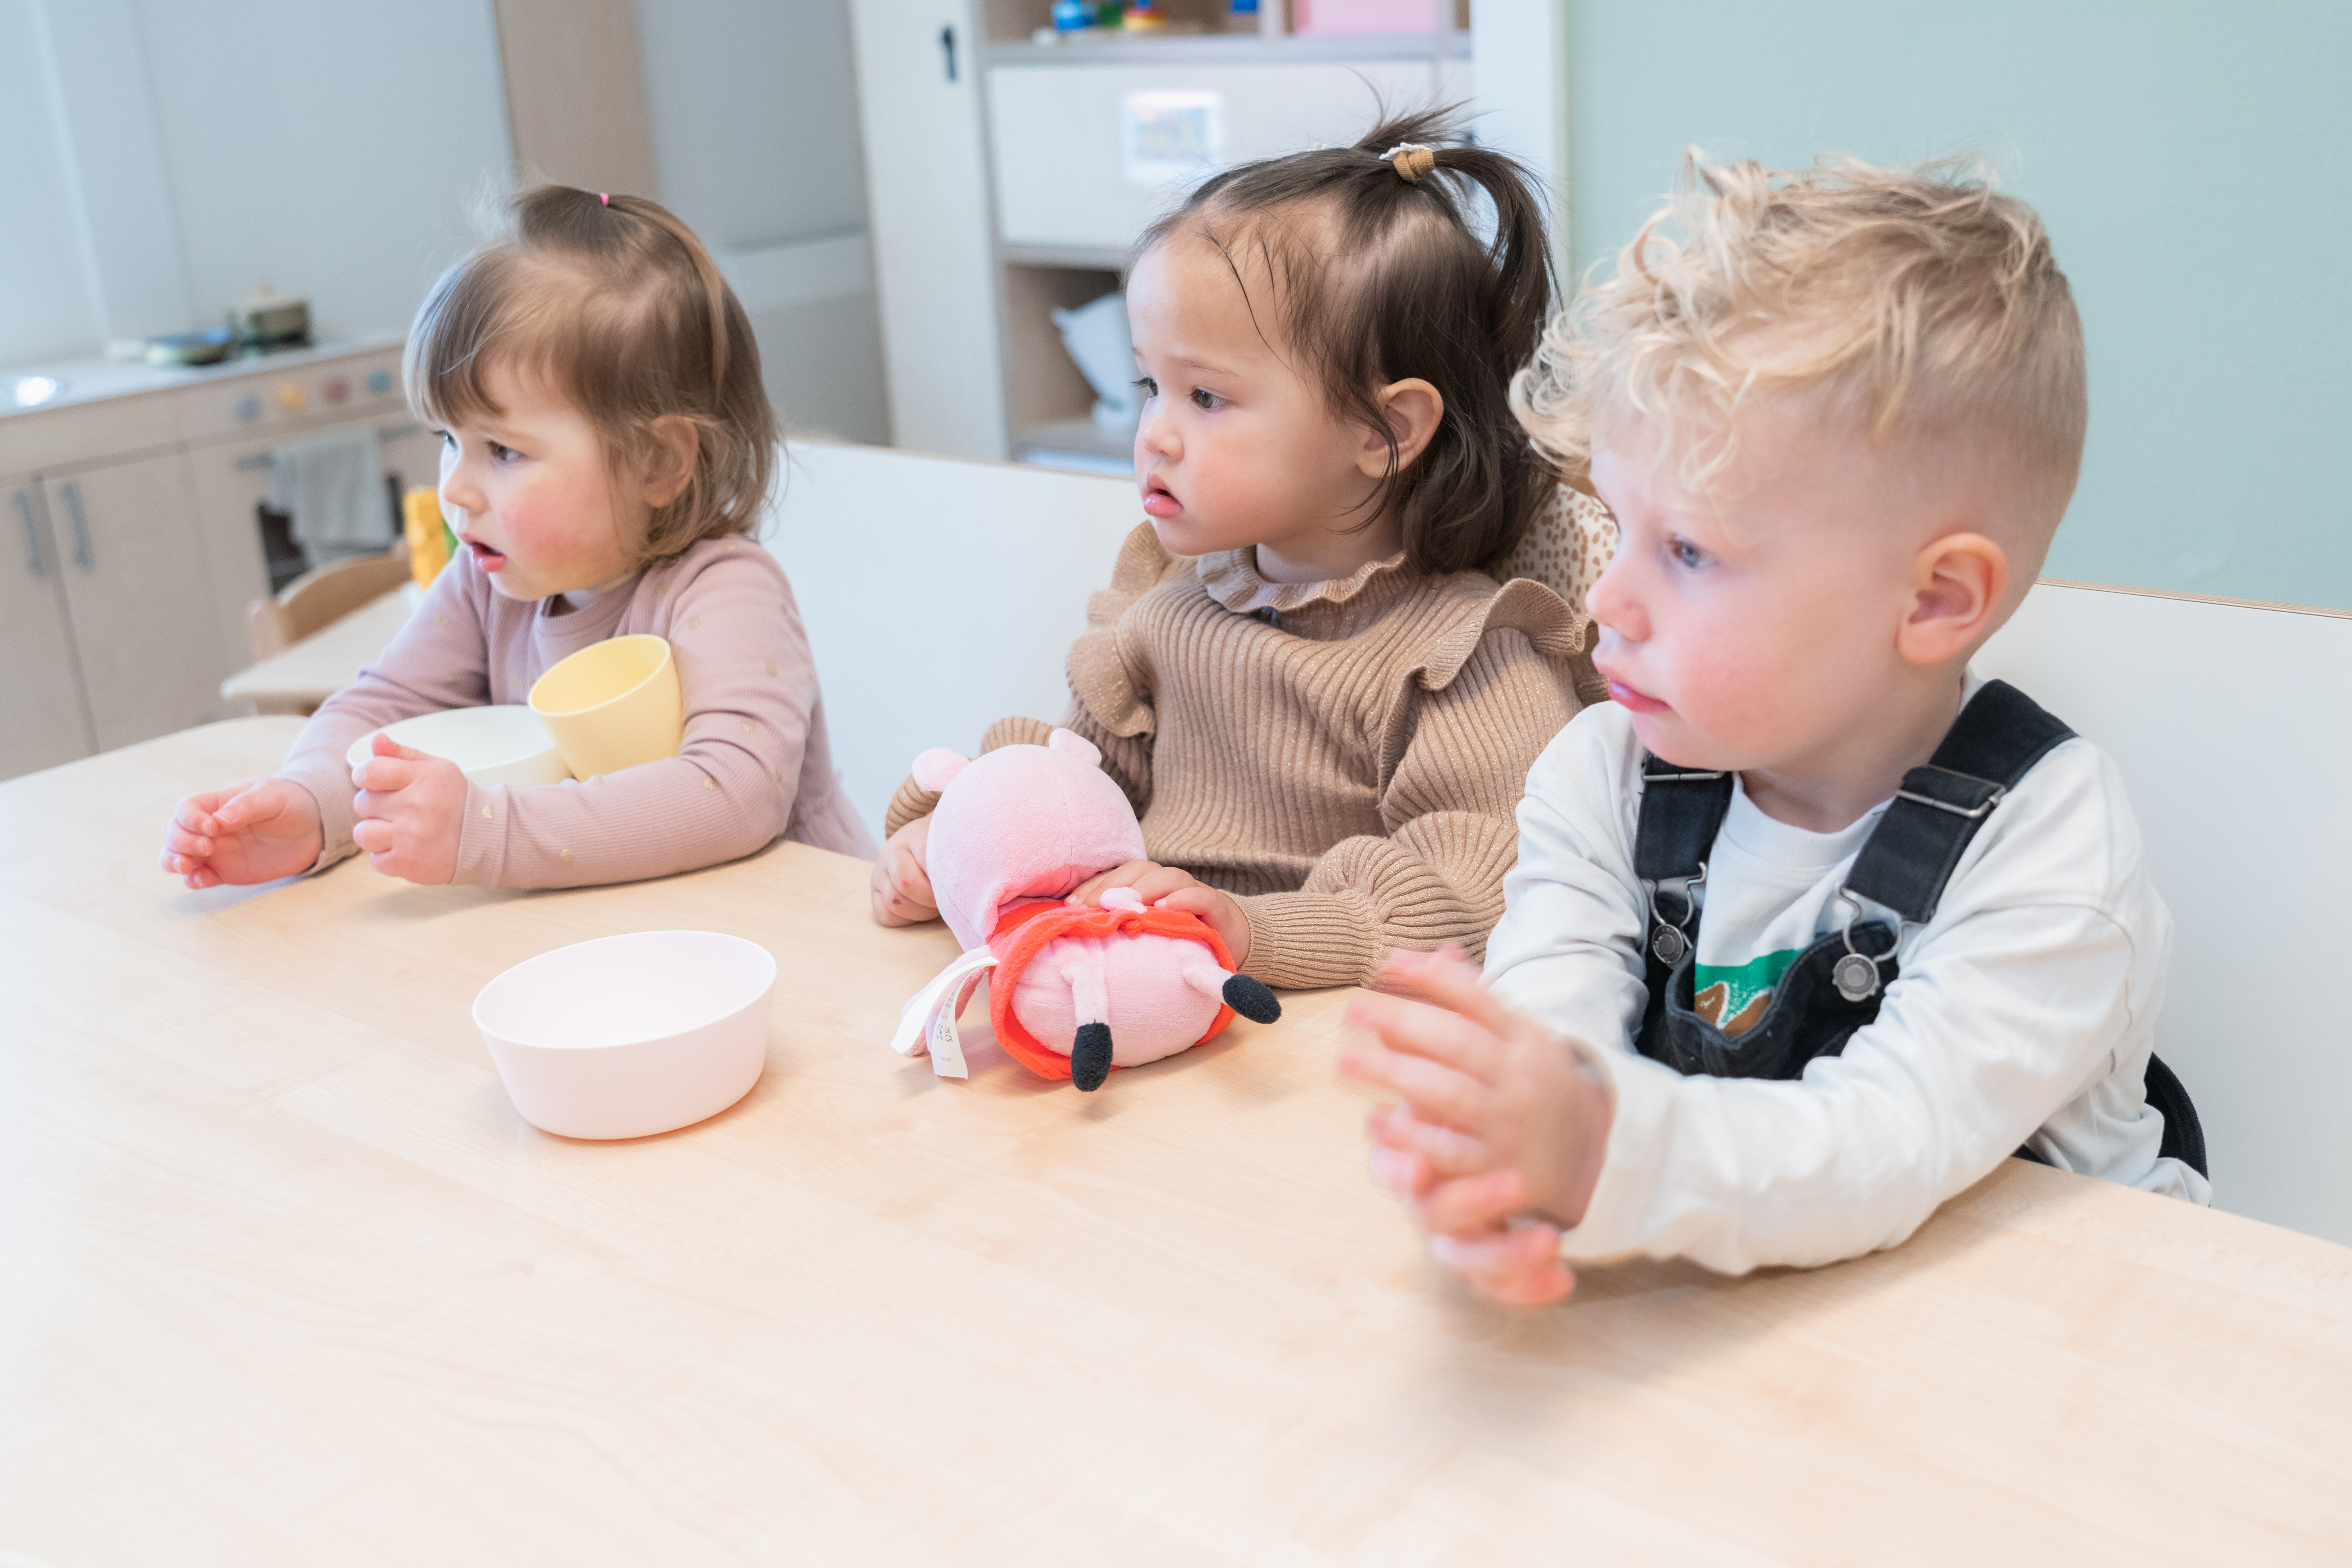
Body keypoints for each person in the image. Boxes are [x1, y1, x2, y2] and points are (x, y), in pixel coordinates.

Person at [1342, 153, 2212, 1306]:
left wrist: (1598, 1148)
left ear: (1936, 601)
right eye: (1620, 525)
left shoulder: (2049, 841)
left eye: (1690, 551)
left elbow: (1883, 1143)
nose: (1608, 598)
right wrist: (1506, 1159)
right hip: (1775, 1323)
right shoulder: (1603, 773)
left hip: (2067, 1330)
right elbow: (1556, 1031)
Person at [870, 111, 1599, 991]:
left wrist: (1252, 932)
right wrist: (957, 834)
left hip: (1317, 1040)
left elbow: (1473, 906)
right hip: (1142, 1006)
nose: (1154, 434)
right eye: (1152, 384)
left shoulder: (1465, 662)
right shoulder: (1164, 609)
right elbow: (1071, 795)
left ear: (1386, 430)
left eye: (1206, 397)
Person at [160, 186, 869, 891]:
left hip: (790, 929)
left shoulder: (725, 590)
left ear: (657, 463)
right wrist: (313, 804)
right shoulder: (486, 588)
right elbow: (382, 711)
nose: (455, 490)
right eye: (448, 440)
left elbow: (736, 793)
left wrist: (485, 833)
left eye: (502, 450)